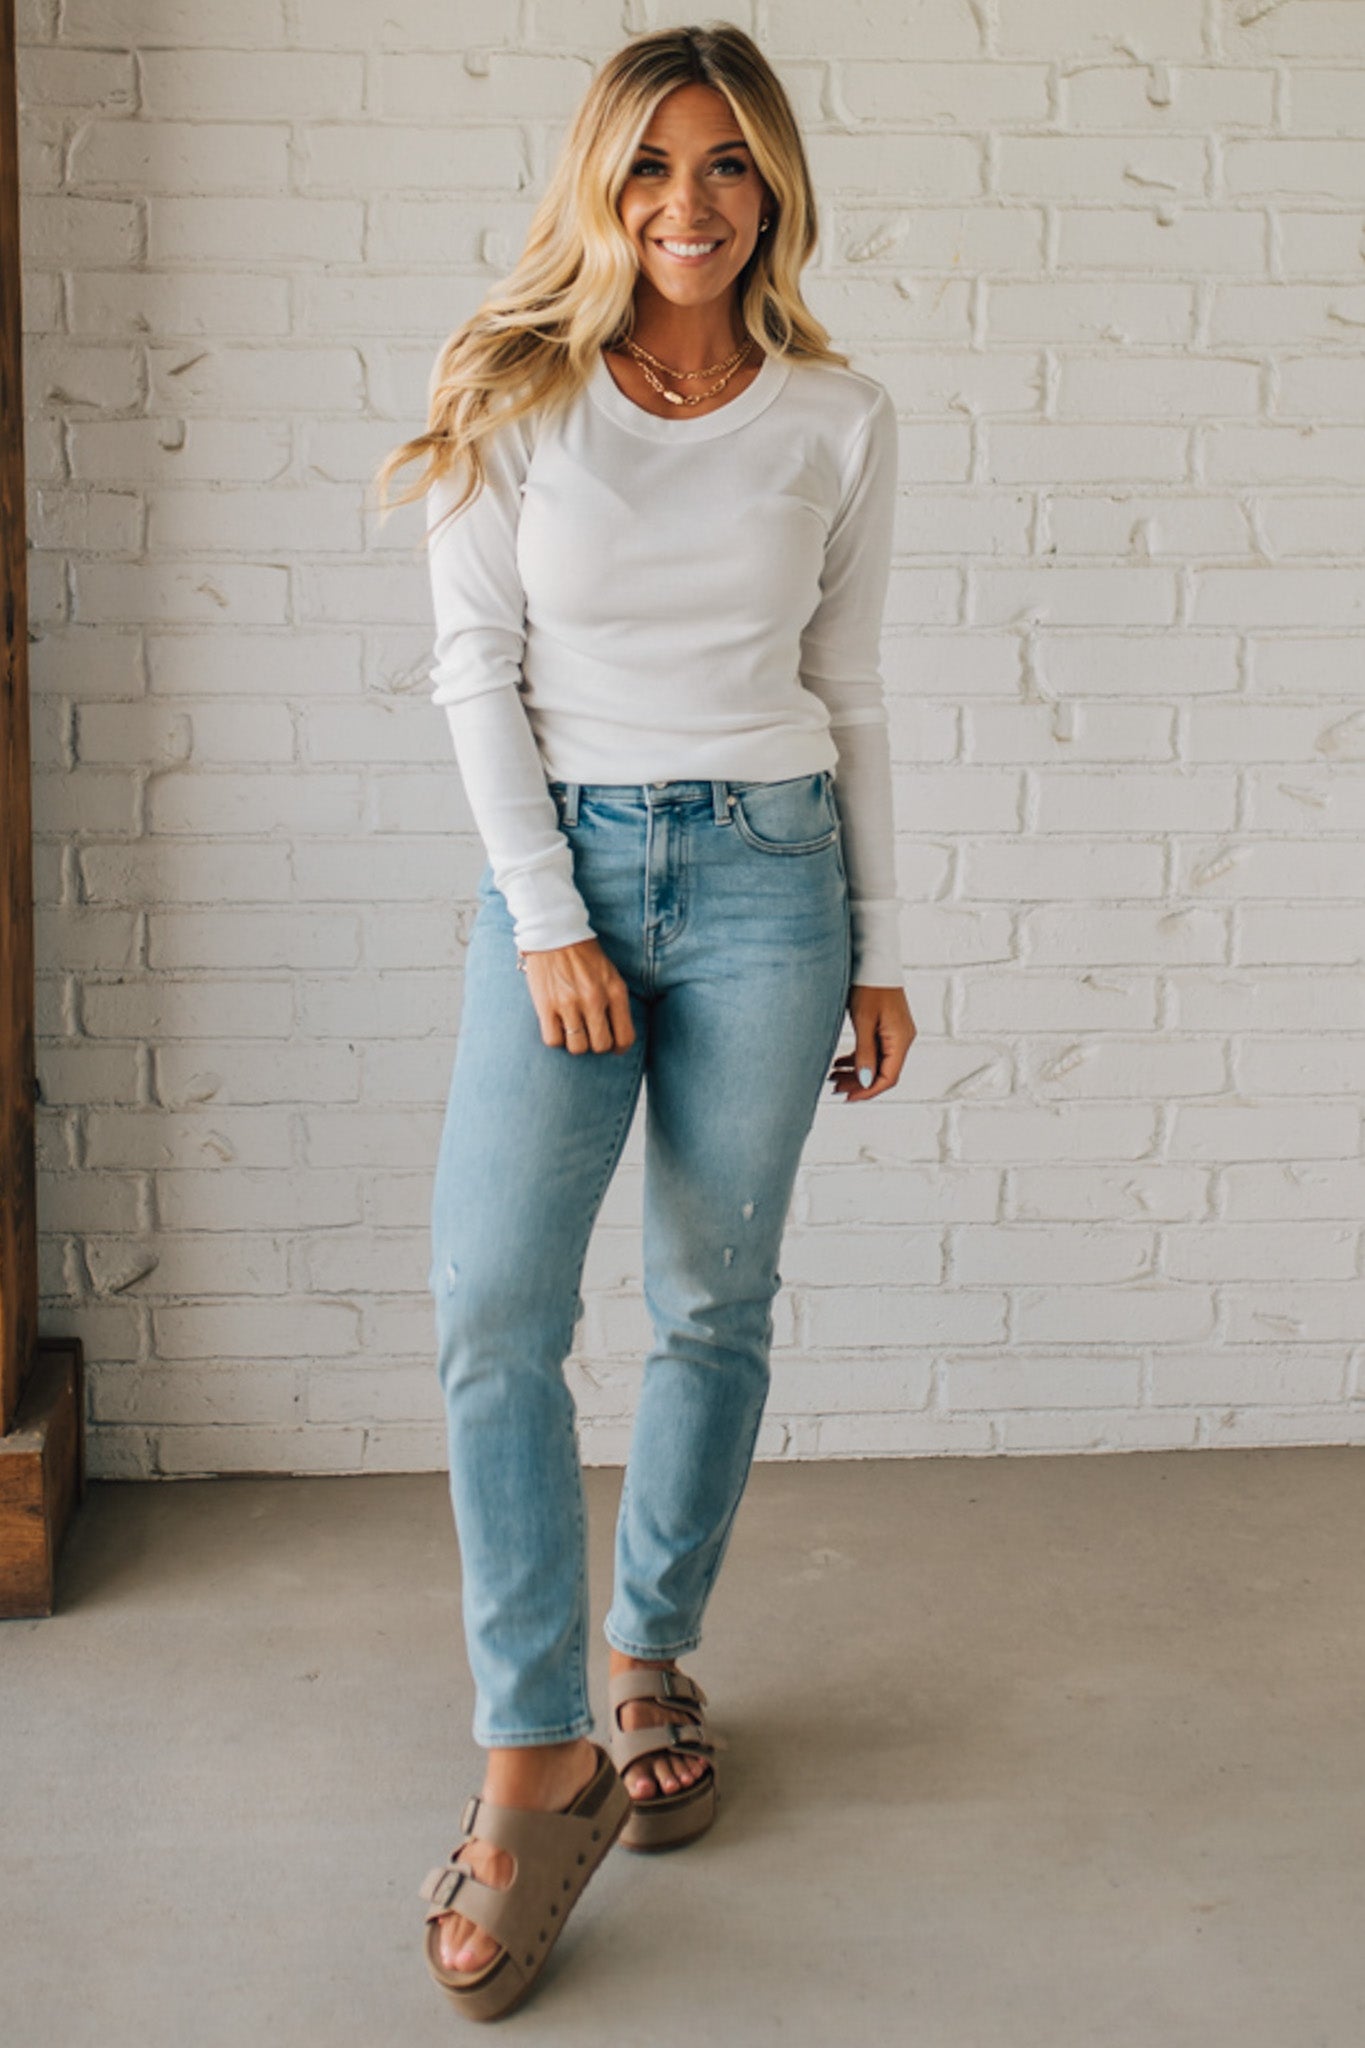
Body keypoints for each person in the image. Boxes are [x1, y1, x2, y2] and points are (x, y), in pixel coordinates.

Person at [375, 20, 917, 2023]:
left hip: (779, 879)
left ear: (771, 186)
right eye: (648, 170)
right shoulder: (510, 394)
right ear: (595, 188)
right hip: (572, 875)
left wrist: (877, 943)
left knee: (713, 1297)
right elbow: (471, 677)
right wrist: (546, 923)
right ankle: (535, 1757)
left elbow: (847, 690)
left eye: (725, 169)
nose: (686, 208)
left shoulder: (837, 418)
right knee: (492, 1305)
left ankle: (646, 1656)